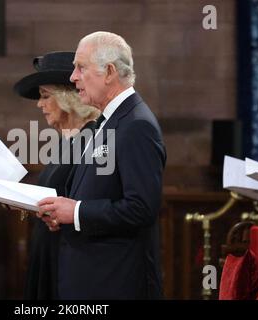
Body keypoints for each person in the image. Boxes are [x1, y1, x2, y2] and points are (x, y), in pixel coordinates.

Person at [37, 32, 167, 299]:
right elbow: (96, 191)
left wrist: (75, 212)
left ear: (109, 72)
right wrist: (62, 215)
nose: (73, 77)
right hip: (91, 279)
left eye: (80, 67)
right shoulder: (111, 119)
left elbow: (142, 208)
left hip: (114, 283)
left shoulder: (136, 125)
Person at [13, 51, 100, 299]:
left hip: (69, 259)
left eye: (44, 96)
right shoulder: (66, 141)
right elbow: (56, 196)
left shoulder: (92, 139)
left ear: (67, 98)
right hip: (50, 252)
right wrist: (14, 199)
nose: (39, 104)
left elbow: (85, 203)